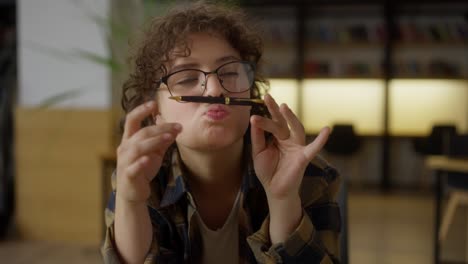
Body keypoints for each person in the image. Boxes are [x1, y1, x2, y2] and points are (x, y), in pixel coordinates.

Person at [102, 2, 341, 263]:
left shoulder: (304, 172)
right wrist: (131, 202)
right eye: (187, 78)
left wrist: (283, 199)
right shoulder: (142, 175)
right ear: (155, 112)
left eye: (229, 73)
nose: (215, 90)